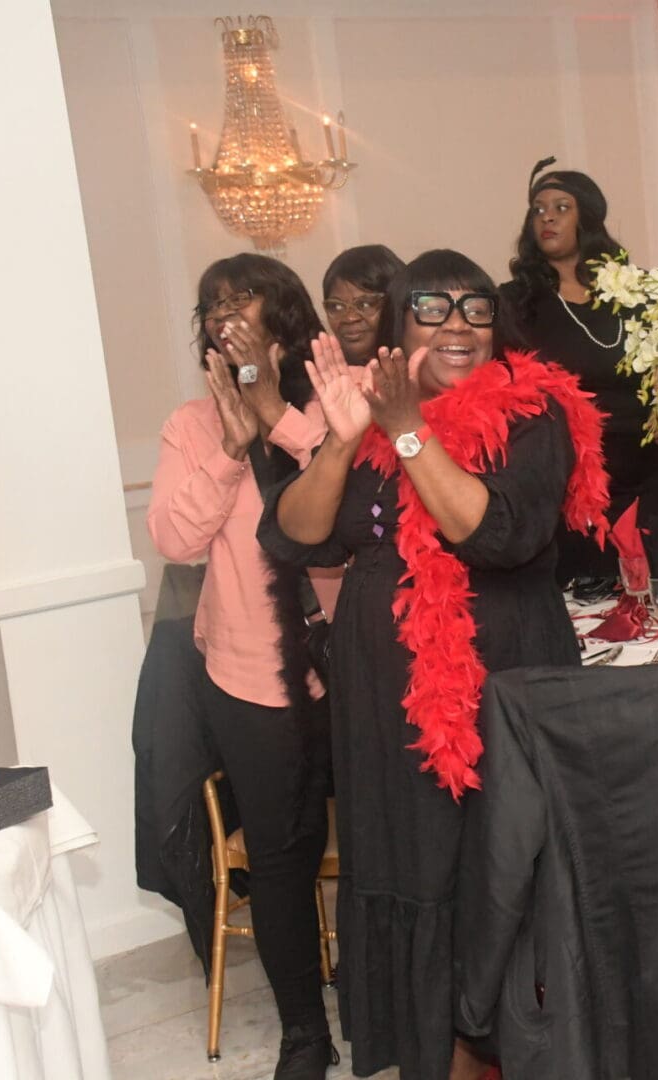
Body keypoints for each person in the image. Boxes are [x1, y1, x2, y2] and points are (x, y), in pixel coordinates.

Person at [258, 249, 609, 1080]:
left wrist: (408, 427)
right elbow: (295, 534)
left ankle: (512, 1054)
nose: (457, 323)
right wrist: (345, 444)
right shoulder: (370, 424)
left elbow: (495, 534)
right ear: (396, 328)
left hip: (505, 688)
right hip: (388, 705)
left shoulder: (536, 412)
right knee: (413, 870)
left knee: (502, 870)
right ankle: (436, 1054)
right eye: (433, 306)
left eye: (475, 307)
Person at [145, 253, 337, 1079]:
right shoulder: (190, 426)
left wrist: (280, 419)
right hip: (251, 678)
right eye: (213, 304)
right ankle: (305, 1034)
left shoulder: (337, 395)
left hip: (356, 668)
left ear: (286, 313)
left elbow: (370, 498)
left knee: (380, 839)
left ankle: (377, 998)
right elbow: (175, 541)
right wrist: (230, 448)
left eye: (245, 297)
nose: (228, 314)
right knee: (282, 856)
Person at [501, 159, 658, 583]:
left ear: (589, 219)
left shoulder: (634, 292)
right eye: (538, 209)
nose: (546, 216)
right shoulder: (515, 304)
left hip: (646, 478)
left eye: (561, 207)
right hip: (571, 489)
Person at [323, 244, 404, 366]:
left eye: (365, 304)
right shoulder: (323, 375)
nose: (350, 318)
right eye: (337, 307)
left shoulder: (423, 373)